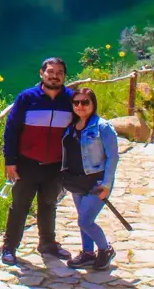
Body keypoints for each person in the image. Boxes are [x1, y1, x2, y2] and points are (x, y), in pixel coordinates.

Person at [1, 57, 75, 265]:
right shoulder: (27, 98)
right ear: (41, 74)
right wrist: (10, 161)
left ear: (64, 76)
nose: (54, 75)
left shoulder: (71, 99)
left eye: (59, 72)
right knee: (19, 205)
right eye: (50, 71)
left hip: (56, 164)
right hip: (27, 163)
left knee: (49, 204)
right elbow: (11, 130)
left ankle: (47, 244)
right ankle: (10, 246)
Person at [59, 87, 119, 270]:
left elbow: (113, 157)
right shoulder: (71, 127)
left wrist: (106, 185)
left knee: (85, 221)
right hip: (77, 181)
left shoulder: (102, 127)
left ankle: (105, 249)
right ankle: (87, 253)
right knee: (83, 219)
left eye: (85, 102)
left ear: (93, 104)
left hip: (96, 182)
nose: (80, 106)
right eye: (76, 102)